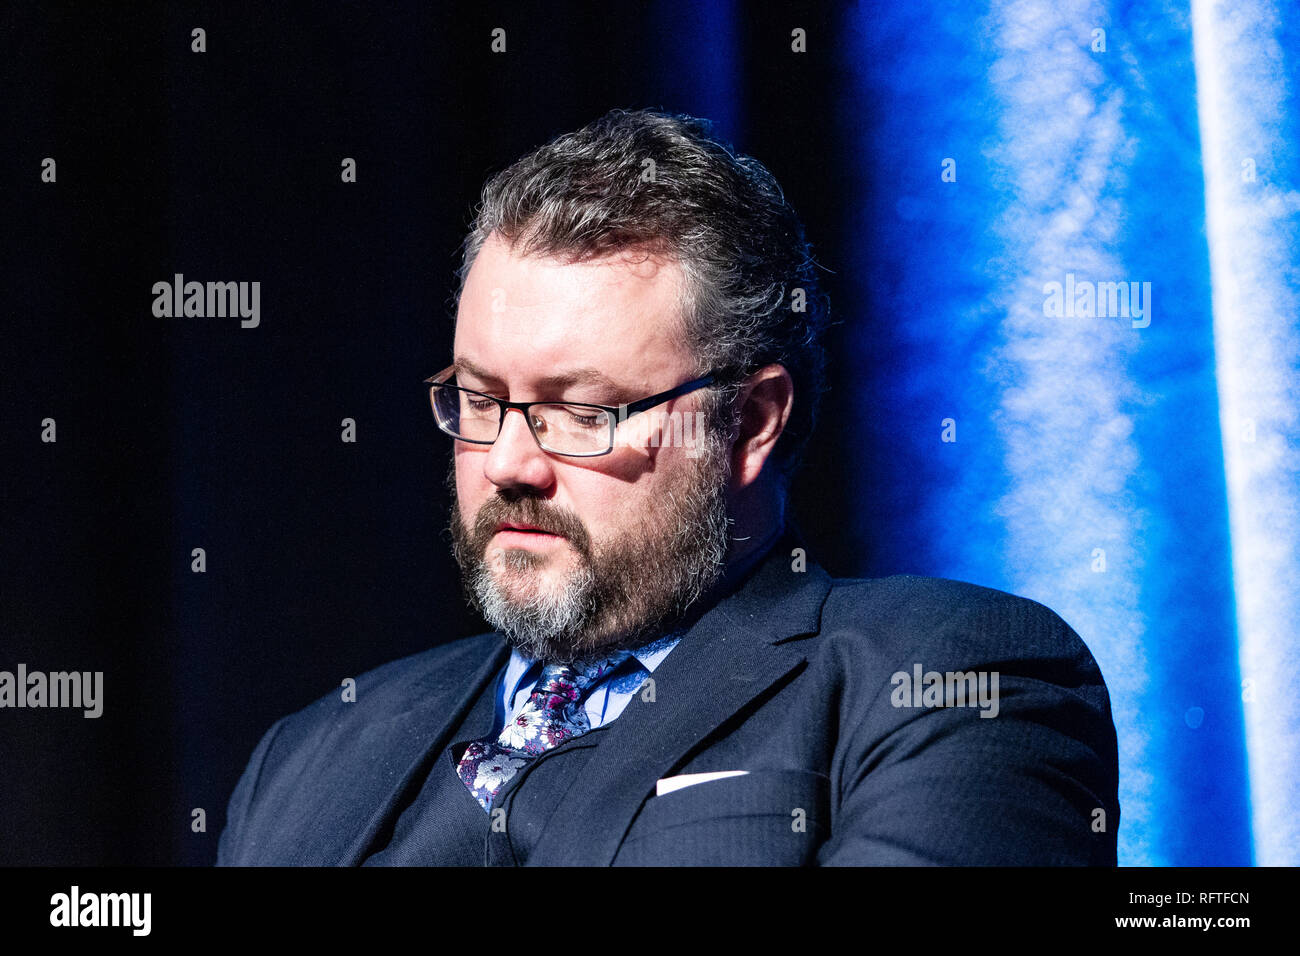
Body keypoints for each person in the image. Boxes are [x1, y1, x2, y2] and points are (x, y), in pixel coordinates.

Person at [217, 108, 1119, 866]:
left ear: (751, 420)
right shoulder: (311, 753)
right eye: (480, 399)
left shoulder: (955, 672)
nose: (508, 464)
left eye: (582, 410)